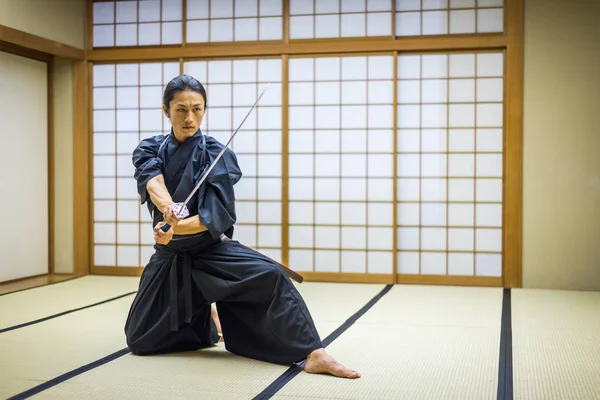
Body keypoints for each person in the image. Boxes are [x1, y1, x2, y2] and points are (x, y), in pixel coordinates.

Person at [124, 74, 359, 379]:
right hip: (170, 256)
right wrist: (168, 209)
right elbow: (152, 181)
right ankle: (205, 319)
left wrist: (177, 228)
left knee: (272, 275)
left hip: (210, 250)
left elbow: (212, 218)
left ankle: (313, 353)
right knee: (141, 340)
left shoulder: (216, 154)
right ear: (165, 111)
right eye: (181, 109)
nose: (190, 117)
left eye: (197, 109)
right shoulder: (150, 148)